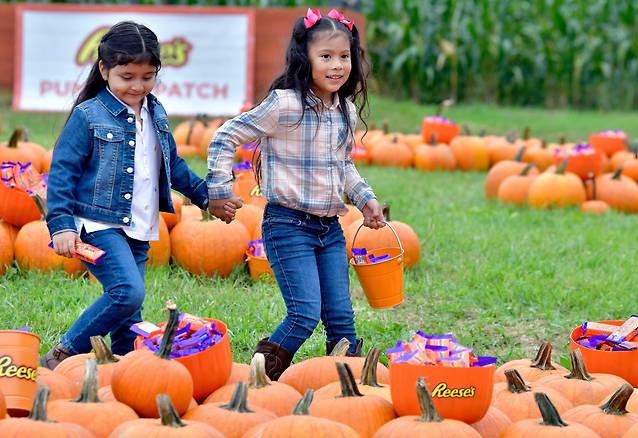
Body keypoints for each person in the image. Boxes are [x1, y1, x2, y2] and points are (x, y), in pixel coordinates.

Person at [207, 8, 385, 380]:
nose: (337, 66)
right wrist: (220, 188)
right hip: (288, 225)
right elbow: (227, 136)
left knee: (340, 317)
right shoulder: (285, 104)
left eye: (344, 56)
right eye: (326, 56)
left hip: (329, 229)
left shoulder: (344, 112)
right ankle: (259, 378)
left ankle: (346, 386)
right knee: (304, 313)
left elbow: (343, 165)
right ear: (305, 57)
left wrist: (364, 198)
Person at [41, 21, 208, 369]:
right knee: (126, 292)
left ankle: (124, 366)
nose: (137, 85)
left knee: (130, 311)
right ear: (104, 70)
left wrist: (207, 196)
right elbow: (62, 173)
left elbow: (172, 165)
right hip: (98, 223)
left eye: (147, 77)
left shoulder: (156, 112)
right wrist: (61, 225)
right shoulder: (88, 116)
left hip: (140, 224)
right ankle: (65, 352)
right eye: (127, 76)